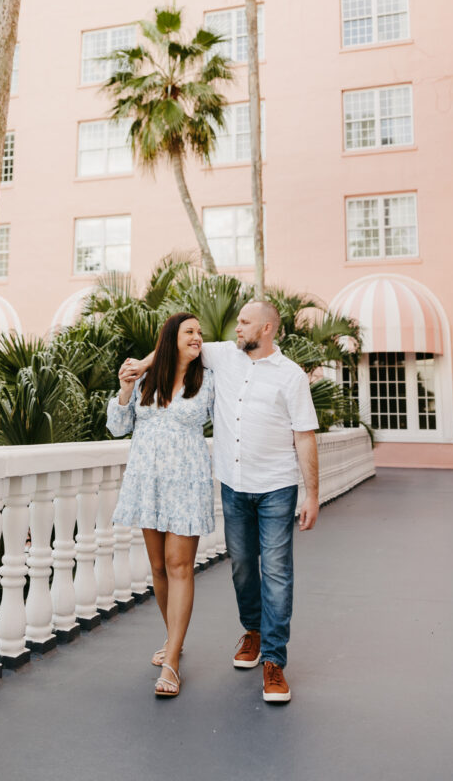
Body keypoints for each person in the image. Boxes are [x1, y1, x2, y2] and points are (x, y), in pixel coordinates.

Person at [125, 300, 319, 704]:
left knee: (277, 571)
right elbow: (171, 345)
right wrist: (141, 368)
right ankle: (252, 631)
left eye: (245, 323)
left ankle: (274, 661)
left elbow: (304, 435)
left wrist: (312, 494)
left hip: (277, 486)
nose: (236, 328)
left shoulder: (290, 376)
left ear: (265, 329)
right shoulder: (225, 357)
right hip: (233, 484)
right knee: (244, 568)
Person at [107, 312, 214, 698]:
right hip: (147, 483)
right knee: (158, 567)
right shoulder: (146, 382)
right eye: (189, 331)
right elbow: (118, 427)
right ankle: (174, 640)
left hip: (187, 484)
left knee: (179, 565)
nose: (198, 337)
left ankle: (171, 662)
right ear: (171, 337)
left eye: (200, 332)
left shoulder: (209, 381)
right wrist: (124, 387)